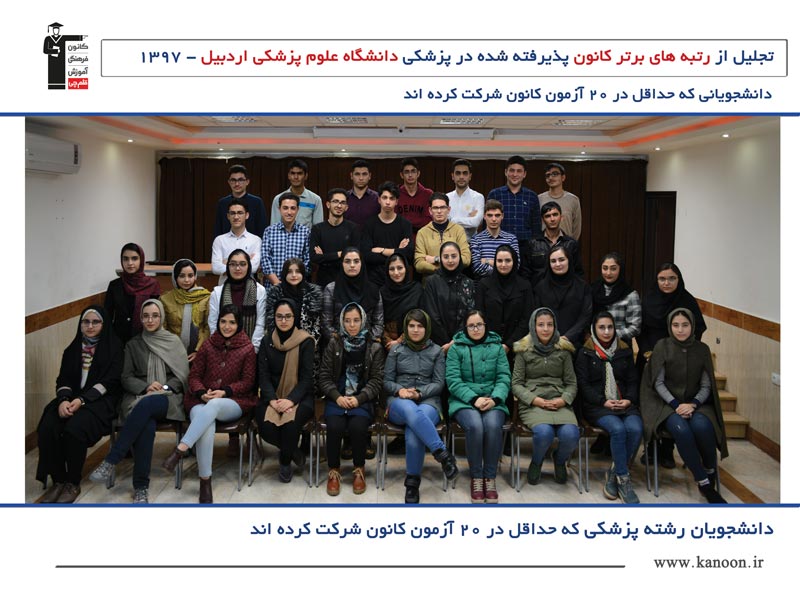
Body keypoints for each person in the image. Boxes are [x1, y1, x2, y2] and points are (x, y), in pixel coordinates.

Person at [88, 299, 188, 503]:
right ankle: (141, 488)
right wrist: (145, 387)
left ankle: (111, 459)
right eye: (146, 316)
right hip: (138, 396)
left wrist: (163, 388)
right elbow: (126, 377)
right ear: (140, 319)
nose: (150, 320)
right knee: (146, 425)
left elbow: (182, 376)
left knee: (147, 405)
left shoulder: (173, 341)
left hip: (167, 397)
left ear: (162, 317)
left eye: (155, 316)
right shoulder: (133, 344)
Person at [161, 305, 258, 503]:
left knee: (213, 407)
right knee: (206, 422)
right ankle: (205, 482)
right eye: (223, 322)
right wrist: (202, 392)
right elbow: (194, 376)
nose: (227, 326)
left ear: (239, 324)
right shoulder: (208, 345)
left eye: (232, 322)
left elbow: (248, 382)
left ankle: (180, 449)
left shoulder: (247, 348)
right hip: (201, 399)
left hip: (233, 401)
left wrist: (225, 392)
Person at [640, 309, 728, 503]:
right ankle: (704, 482)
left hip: (697, 403)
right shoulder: (662, 346)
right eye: (676, 325)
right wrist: (676, 404)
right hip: (665, 404)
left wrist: (693, 404)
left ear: (692, 326)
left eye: (685, 325)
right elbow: (658, 383)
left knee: (702, 426)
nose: (680, 330)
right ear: (670, 326)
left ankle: (710, 469)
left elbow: (706, 386)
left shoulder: (702, 349)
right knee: (682, 429)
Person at [37, 306, 123, 503]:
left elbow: (111, 381)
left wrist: (83, 400)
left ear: (104, 324)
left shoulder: (114, 348)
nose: (90, 326)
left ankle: (72, 483)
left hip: (101, 401)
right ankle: (58, 480)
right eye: (86, 322)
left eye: (96, 322)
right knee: (48, 426)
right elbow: (63, 379)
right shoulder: (72, 349)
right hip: (71, 399)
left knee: (75, 429)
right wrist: (63, 401)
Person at [636, 262, 707, 467]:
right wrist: (649, 353)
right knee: (651, 405)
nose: (666, 283)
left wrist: (682, 352)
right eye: (662, 279)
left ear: (679, 280)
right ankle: (650, 448)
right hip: (650, 357)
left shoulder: (687, 300)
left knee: (673, 403)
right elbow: (641, 330)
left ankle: (667, 450)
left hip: (678, 362)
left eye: (671, 278)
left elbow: (697, 329)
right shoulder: (649, 299)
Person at [384, 309, 458, 503]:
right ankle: (442, 454)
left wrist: (419, 392)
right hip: (399, 402)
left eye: (420, 326)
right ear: (406, 328)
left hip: (428, 401)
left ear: (427, 328)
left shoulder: (436, 351)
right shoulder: (396, 350)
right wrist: (400, 390)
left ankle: (412, 483)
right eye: (411, 326)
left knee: (414, 428)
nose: (415, 330)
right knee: (410, 410)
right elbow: (387, 381)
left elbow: (439, 383)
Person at [575, 312, 642, 504]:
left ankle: (614, 474)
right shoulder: (585, 352)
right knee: (618, 429)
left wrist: (628, 400)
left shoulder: (624, 350)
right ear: (593, 330)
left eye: (610, 327)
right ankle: (624, 480)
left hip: (625, 404)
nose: (606, 332)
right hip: (598, 406)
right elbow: (583, 384)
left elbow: (632, 380)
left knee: (636, 429)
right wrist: (602, 401)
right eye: (601, 328)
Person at [318, 303, 385, 496]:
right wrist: (337, 397)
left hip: (362, 398)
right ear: (341, 322)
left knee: (358, 427)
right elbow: (324, 377)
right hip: (337, 397)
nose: (352, 325)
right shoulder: (334, 343)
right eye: (347, 321)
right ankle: (334, 470)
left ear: (363, 321)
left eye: (356, 320)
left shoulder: (374, 346)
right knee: (335, 426)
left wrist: (359, 399)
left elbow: (376, 380)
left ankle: (359, 469)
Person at [446, 310, 510, 503]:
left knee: (492, 426)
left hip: (492, 399)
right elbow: (453, 380)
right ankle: (476, 477)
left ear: (485, 326)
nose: (475, 329)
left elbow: (504, 378)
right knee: (475, 426)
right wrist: (474, 399)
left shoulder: (497, 347)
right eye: (471, 326)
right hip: (464, 400)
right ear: (465, 328)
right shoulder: (456, 348)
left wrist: (495, 399)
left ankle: (489, 477)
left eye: (479, 325)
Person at [512, 308, 579, 486]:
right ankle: (537, 461)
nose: (546, 329)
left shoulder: (563, 349)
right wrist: (536, 400)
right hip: (534, 402)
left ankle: (559, 460)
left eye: (550, 324)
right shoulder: (523, 349)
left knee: (571, 434)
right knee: (544, 433)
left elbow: (571, 383)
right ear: (533, 326)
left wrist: (563, 400)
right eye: (541, 325)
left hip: (559, 401)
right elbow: (516, 384)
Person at [255, 299, 315, 483]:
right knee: (266, 427)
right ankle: (294, 451)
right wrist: (272, 400)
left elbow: (307, 378)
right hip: (272, 395)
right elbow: (263, 375)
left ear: (295, 317)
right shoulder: (267, 341)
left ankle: (285, 461)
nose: (283, 321)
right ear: (274, 317)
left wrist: (290, 400)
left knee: (290, 425)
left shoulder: (305, 341)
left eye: (288, 316)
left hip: (300, 396)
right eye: (279, 316)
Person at [475, 244, 533, 357]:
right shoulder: (484, 284)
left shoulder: (524, 285)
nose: (503, 265)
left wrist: (509, 344)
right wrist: (491, 341)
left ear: (514, 262)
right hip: (488, 345)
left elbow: (527, 318)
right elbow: (479, 316)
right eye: (499, 261)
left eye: (508, 260)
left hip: (518, 347)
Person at [322, 247, 384, 347]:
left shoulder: (374, 289)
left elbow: (378, 323)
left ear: (362, 263)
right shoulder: (331, 289)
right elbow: (326, 324)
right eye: (347, 261)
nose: (352, 265)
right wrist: (344, 343)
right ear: (342, 264)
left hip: (367, 345)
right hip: (339, 345)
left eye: (356, 261)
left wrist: (364, 342)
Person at [421, 241, 476, 353]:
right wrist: (446, 343)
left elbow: (470, 315)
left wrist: (455, 342)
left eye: (454, 256)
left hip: (463, 343)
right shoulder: (432, 282)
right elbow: (432, 315)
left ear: (460, 257)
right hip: (438, 345)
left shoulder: (468, 283)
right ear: (440, 258)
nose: (450, 260)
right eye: (446, 257)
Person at [533, 245, 592, 349]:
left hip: (575, 343)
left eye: (561, 260)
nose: (558, 264)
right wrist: (551, 338)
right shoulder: (540, 287)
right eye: (553, 261)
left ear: (569, 260)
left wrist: (567, 337)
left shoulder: (582, 286)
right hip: (547, 344)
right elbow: (537, 316)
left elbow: (585, 316)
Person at [208, 249, 266, 352]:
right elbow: (213, 324)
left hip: (251, 349)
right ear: (228, 267)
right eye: (233, 264)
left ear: (249, 266)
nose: (237, 268)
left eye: (242, 264)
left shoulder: (259, 290)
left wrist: (253, 350)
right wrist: (221, 348)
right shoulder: (217, 292)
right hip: (222, 350)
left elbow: (260, 324)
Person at [104, 242, 161, 346]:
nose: (130, 263)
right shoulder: (115, 285)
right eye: (125, 259)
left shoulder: (152, 284)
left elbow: (157, 316)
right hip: (119, 341)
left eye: (134, 258)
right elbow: (107, 316)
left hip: (145, 340)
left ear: (141, 260)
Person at [360, 181, 414, 287]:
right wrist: (397, 252)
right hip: (374, 281)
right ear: (379, 200)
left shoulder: (405, 224)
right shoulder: (369, 224)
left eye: (391, 198)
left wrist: (382, 250)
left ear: (396, 201)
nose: (388, 202)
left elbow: (408, 254)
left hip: (399, 280)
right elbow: (366, 255)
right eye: (384, 198)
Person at [522, 201, 583, 288]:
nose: (552, 219)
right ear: (542, 220)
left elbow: (578, 273)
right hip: (538, 291)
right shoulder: (532, 243)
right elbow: (525, 273)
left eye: (555, 215)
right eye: (548, 216)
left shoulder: (571, 244)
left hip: (564, 291)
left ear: (561, 217)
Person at [160, 259, 211, 362]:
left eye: (190, 276)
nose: (187, 280)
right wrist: (170, 350)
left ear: (195, 276)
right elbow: (163, 328)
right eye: (182, 276)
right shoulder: (165, 299)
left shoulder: (206, 297)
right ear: (175, 277)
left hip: (200, 353)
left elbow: (208, 327)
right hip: (173, 353)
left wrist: (198, 351)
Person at [264, 258, 323, 346]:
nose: (294, 275)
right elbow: (271, 323)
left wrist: (309, 345)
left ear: (303, 273)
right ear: (284, 274)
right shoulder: (275, 293)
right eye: (289, 272)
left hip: (307, 343)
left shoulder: (314, 293)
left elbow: (317, 324)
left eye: (298, 271)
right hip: (281, 344)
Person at [309, 187, 359, 289]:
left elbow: (355, 256)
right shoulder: (317, 229)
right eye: (335, 201)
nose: (339, 206)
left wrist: (325, 257)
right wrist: (340, 254)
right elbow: (314, 258)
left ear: (346, 207)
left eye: (343, 203)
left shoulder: (353, 228)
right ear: (328, 204)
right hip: (323, 281)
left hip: (347, 281)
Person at [414, 192, 471, 279]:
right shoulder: (422, 233)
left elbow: (466, 259)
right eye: (435, 208)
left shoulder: (458, 230)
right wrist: (442, 269)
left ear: (448, 209)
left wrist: (436, 259)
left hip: (455, 281)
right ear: (430, 210)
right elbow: (419, 264)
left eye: (442, 207)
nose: (439, 211)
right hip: (431, 283)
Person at [487, 155, 541, 246]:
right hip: (499, 244)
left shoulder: (532, 196)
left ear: (524, 174)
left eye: (519, 171)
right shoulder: (495, 194)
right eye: (512, 170)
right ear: (506, 172)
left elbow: (536, 227)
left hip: (526, 246)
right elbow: (487, 223)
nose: (515, 174)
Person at [261, 192, 311, 287]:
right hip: (273, 287)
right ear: (279, 209)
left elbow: (307, 262)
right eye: (285, 208)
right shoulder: (269, 231)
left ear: (297, 209)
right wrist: (277, 283)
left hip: (297, 287)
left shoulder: (305, 232)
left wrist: (293, 281)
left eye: (293, 208)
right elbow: (265, 260)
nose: (289, 212)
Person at [590, 252, 641, 344]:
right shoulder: (592, 290)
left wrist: (610, 335)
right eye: (605, 268)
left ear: (620, 270)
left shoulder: (630, 295)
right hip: (594, 343)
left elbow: (635, 327)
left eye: (613, 269)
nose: (608, 273)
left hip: (620, 345)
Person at [211, 197, 262, 283]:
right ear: (228, 216)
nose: (236, 217)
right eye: (232, 213)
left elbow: (253, 268)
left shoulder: (256, 240)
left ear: (247, 215)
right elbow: (216, 268)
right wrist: (246, 261)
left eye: (240, 213)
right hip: (224, 287)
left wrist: (227, 262)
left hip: (248, 288)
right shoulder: (219, 240)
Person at [379, 253, 423, 351]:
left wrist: (399, 341)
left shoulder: (416, 289)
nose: (396, 272)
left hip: (413, 342)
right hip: (387, 345)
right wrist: (388, 342)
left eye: (400, 268)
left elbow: (421, 318)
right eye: (392, 269)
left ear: (406, 268)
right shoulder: (383, 292)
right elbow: (379, 320)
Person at [212, 164, 268, 240]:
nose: (237, 184)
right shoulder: (222, 203)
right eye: (233, 180)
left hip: (252, 245)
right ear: (229, 182)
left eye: (240, 180)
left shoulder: (257, 202)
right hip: (227, 244)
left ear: (247, 181)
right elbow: (218, 229)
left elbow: (262, 229)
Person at [469, 199, 520, 278]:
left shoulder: (511, 239)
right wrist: (503, 268)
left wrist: (487, 261)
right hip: (484, 284)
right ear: (484, 216)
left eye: (497, 215)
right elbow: (477, 268)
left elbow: (516, 265)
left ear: (502, 216)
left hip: (506, 283)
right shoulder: (476, 239)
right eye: (490, 215)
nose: (493, 219)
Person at [270, 158, 324, 228]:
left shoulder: (315, 199)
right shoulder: (278, 199)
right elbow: (274, 227)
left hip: (307, 235)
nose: (296, 177)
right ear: (288, 176)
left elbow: (318, 228)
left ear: (306, 176)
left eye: (299, 173)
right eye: (293, 173)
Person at [538, 162, 582, 239]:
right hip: (544, 244)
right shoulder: (539, 198)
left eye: (555, 174)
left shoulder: (573, 199)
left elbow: (576, 227)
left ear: (563, 177)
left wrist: (571, 243)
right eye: (548, 175)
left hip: (566, 244)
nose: (550, 178)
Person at [447, 158, 484, 239]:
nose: (461, 177)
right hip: (449, 242)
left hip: (470, 243)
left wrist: (452, 220)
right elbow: (443, 222)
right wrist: (468, 219)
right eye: (458, 173)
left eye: (465, 173)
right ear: (453, 176)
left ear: (470, 176)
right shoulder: (446, 198)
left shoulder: (478, 197)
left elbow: (476, 222)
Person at [396, 157, 433, 232]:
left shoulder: (428, 194)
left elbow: (428, 220)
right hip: (400, 235)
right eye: (406, 172)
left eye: (413, 171)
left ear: (418, 173)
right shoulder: (395, 193)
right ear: (401, 175)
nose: (410, 175)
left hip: (423, 235)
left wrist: (405, 223)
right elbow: (393, 220)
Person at [344, 159, 380, 227]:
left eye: (364, 174)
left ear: (370, 176)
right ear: (351, 176)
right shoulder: (344, 198)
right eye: (357, 174)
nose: (361, 178)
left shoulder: (378, 198)